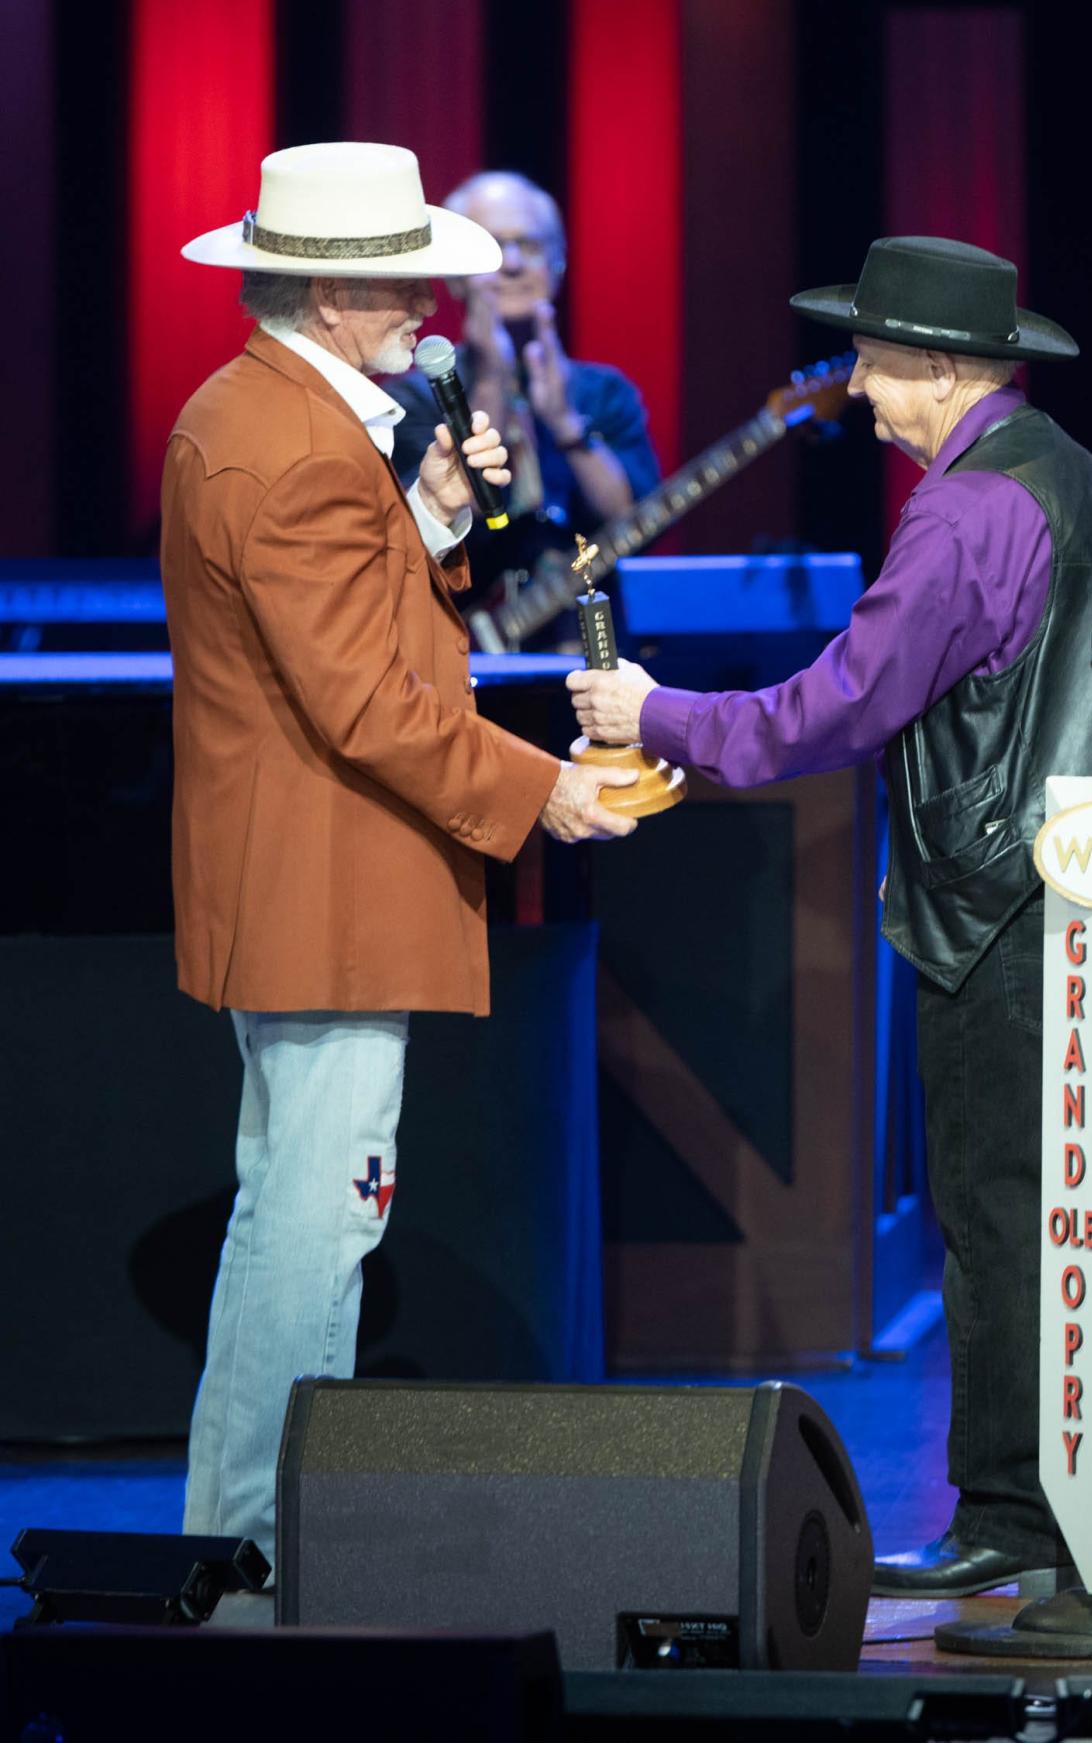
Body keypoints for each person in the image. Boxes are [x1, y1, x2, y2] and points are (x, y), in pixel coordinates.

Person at [568, 235, 1092, 1597]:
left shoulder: (962, 511)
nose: (860, 393)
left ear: (935, 367)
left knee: (1002, 1209)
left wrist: (658, 716)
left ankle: (1008, 1510)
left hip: (1007, 905)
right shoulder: (1060, 471)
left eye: (873, 365)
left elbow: (843, 699)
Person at [164, 141, 637, 1567]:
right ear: (325, 291)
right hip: (324, 886)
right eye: (404, 282)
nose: (434, 303)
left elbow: (351, 616)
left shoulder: (282, 418)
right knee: (317, 1232)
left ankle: (238, 1539)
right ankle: (258, 1552)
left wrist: (430, 512)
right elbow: (363, 695)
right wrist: (540, 787)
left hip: (309, 878)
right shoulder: (290, 443)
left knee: (293, 1220)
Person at [389, 170, 660, 623]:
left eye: (530, 246)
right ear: (456, 278)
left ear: (557, 264)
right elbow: (424, 527)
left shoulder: (606, 391)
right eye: (494, 248)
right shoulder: (411, 398)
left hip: (595, 634)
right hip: (461, 635)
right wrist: (492, 379)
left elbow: (638, 523)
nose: (512, 263)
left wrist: (567, 423)